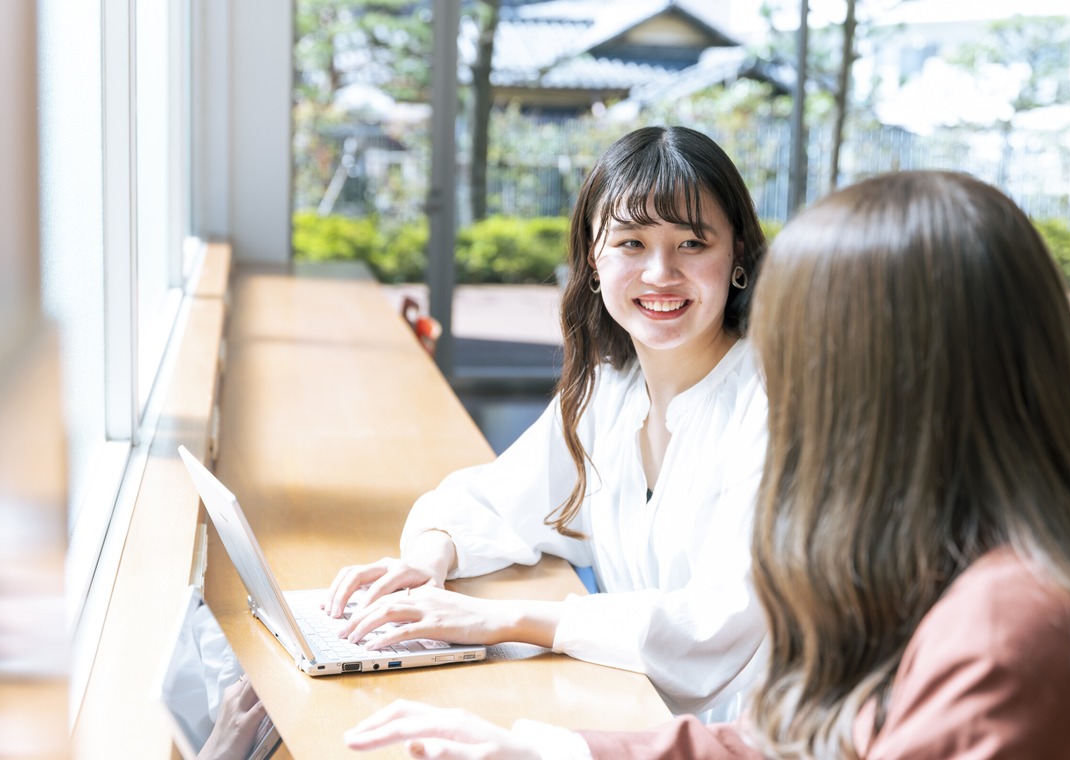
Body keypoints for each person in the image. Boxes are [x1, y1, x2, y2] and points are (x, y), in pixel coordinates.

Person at [341, 171, 1070, 759]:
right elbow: (790, 745)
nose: (780, 379)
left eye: (800, 349)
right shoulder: (946, 566)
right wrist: (534, 749)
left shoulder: (1006, 630)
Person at [323, 125, 771, 721]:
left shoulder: (772, 403)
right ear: (593, 257)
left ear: (736, 253)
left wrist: (503, 620)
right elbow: (497, 499)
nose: (661, 272)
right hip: (636, 713)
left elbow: (716, 628)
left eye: (692, 244)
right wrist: (428, 561)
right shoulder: (609, 389)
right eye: (631, 243)